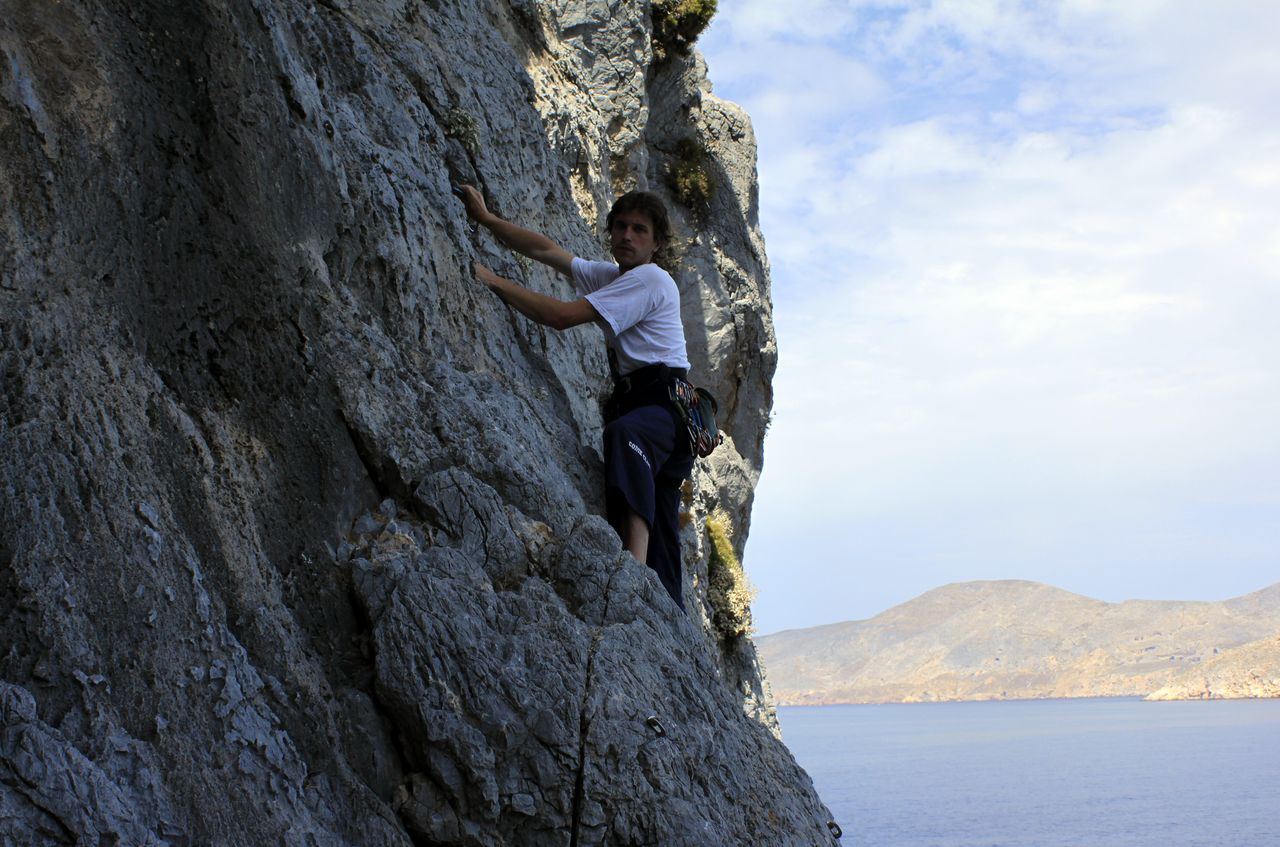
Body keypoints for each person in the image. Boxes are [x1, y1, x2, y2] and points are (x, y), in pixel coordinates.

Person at [455, 184, 694, 610]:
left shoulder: (650, 280)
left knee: (626, 437)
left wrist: (494, 282)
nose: (627, 235)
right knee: (665, 536)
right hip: (652, 408)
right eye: (620, 226)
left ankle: (632, 572)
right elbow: (549, 252)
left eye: (640, 230)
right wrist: (487, 219)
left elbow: (561, 317)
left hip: (664, 407)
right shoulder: (617, 276)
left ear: (656, 244)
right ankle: (666, 612)